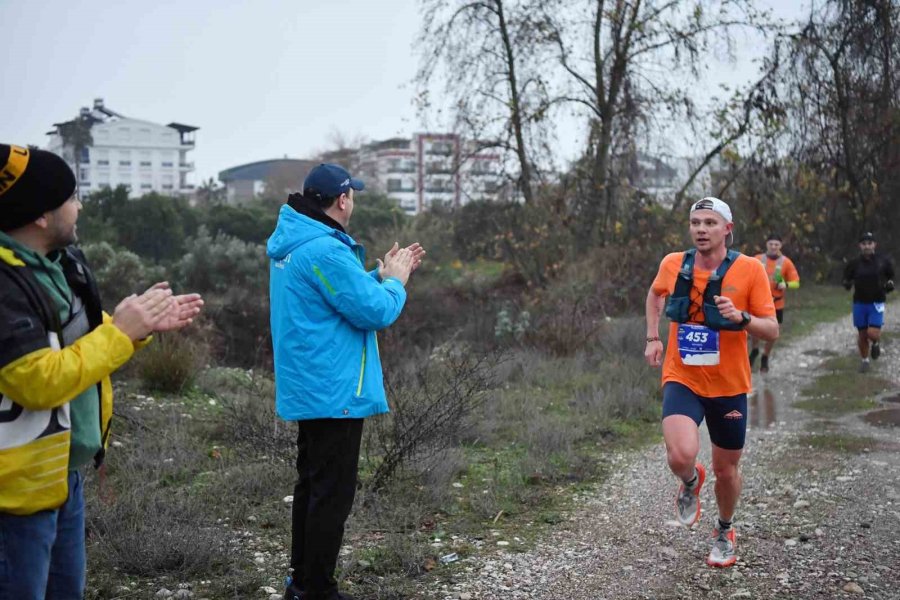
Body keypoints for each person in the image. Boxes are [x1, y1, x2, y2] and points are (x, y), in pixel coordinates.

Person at [0, 144, 204, 599]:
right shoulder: (5, 282)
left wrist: (135, 328)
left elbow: (76, 336)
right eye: (72, 198)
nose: (80, 206)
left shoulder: (58, 263)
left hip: (60, 472)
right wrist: (119, 336)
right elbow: (36, 379)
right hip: (13, 494)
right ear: (40, 215)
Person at [267, 163, 425, 600]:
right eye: (351, 194)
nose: (352, 199)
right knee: (331, 497)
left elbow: (337, 296)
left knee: (312, 487)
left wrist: (377, 277)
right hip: (333, 391)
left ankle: (301, 583)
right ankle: (317, 588)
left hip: (310, 387)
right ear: (342, 200)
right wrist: (396, 282)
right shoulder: (325, 251)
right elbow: (376, 312)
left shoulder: (297, 243)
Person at [644, 197, 778, 568]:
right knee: (680, 455)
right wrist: (653, 337)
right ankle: (689, 481)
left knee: (726, 470)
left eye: (710, 223)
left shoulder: (750, 270)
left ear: (727, 230)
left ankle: (724, 529)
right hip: (682, 376)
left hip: (729, 384)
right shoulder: (673, 263)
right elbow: (655, 295)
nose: (701, 229)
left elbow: (772, 329)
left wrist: (743, 317)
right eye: (696, 222)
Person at [842, 232, 894, 373]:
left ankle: (876, 343)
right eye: (864, 244)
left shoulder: (883, 261)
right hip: (859, 302)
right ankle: (865, 361)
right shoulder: (854, 263)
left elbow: (891, 276)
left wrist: (889, 284)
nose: (867, 246)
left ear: (874, 245)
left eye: (869, 243)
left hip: (877, 301)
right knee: (862, 335)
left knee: (872, 333)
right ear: (860, 246)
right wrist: (846, 284)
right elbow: (846, 278)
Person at [748, 233, 799, 373]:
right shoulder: (757, 259)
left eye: (776, 244)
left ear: (780, 246)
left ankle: (766, 356)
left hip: (776, 303)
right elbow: (746, 274)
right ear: (767, 245)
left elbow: (796, 282)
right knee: (755, 330)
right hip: (757, 302)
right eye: (771, 244)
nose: (773, 247)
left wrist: (786, 285)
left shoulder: (785, 262)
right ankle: (754, 350)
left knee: (773, 333)